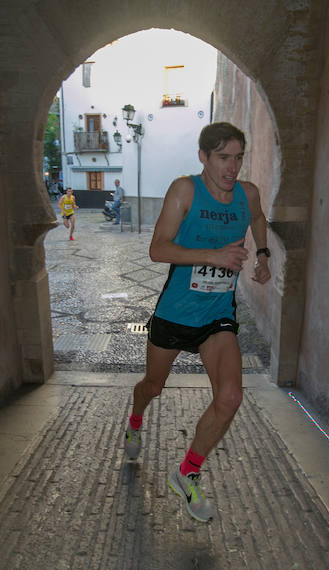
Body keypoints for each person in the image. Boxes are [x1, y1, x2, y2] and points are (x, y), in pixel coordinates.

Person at [123, 122, 272, 522]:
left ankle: (187, 472)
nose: (232, 167)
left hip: (217, 316)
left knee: (230, 397)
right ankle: (135, 421)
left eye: (238, 157)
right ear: (203, 156)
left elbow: (257, 217)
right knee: (152, 386)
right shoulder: (184, 190)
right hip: (175, 314)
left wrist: (263, 256)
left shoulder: (248, 194)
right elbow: (158, 249)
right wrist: (214, 256)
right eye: (223, 157)